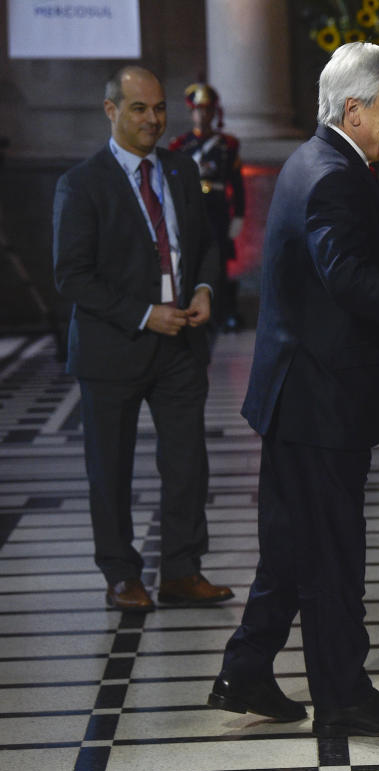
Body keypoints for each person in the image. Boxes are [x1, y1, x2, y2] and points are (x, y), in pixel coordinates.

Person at [207, 42, 379, 736]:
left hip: (301, 394)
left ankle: (245, 667)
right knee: (331, 554)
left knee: (291, 544)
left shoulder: (316, 161)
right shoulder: (333, 175)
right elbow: (350, 282)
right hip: (317, 400)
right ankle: (342, 695)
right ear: (354, 110)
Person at [52, 66, 234, 611]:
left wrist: (202, 288)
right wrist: (142, 314)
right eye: (139, 108)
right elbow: (72, 276)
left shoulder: (181, 170)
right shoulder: (82, 184)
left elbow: (206, 245)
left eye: (159, 108)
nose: (153, 119)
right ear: (111, 111)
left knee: (187, 464)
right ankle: (121, 574)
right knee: (110, 468)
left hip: (180, 345)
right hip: (113, 348)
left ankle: (181, 570)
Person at [169, 82, 246, 331]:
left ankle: (222, 313)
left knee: (220, 261)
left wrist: (239, 216)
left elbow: (237, 183)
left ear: (214, 113)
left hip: (217, 209)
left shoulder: (227, 145)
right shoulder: (180, 146)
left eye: (208, 111)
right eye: (198, 110)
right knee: (190, 257)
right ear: (192, 112)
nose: (203, 116)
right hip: (191, 208)